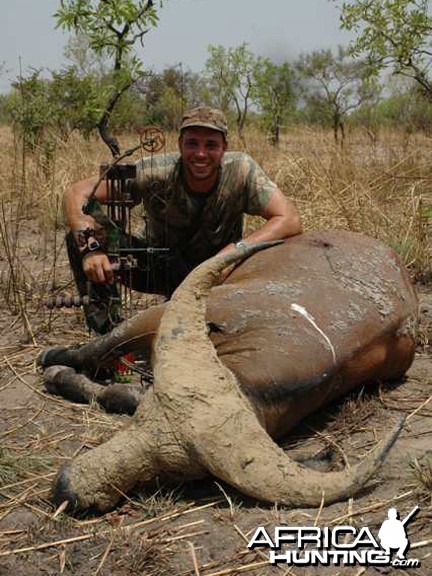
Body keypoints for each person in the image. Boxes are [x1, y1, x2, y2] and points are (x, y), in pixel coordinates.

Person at [65, 106, 302, 333]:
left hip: (221, 274)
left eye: (211, 145)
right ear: (180, 145)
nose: (200, 154)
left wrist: (234, 252)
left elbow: (288, 218)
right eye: (192, 144)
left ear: (224, 147)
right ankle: (109, 336)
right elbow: (76, 193)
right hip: (159, 267)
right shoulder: (154, 171)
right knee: (79, 238)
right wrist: (91, 248)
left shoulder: (241, 169)